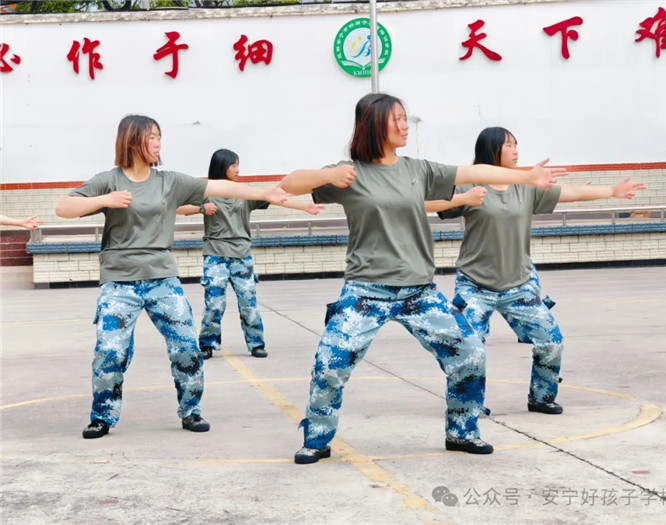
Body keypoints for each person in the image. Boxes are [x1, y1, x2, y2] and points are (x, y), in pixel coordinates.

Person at [280, 93, 568, 464]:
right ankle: (317, 440)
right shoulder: (349, 173)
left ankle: (462, 432)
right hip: (366, 290)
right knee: (330, 364)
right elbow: (289, 184)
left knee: (469, 352)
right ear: (373, 124)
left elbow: (473, 173)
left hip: (419, 291)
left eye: (405, 118)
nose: (405, 126)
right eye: (397, 119)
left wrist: (525, 176)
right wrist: (328, 176)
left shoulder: (418, 170)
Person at [55, 115, 287, 439]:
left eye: (159, 136)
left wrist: (264, 193)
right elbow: (64, 207)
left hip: (162, 279)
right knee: (110, 351)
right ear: (132, 140)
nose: (157, 143)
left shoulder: (169, 182)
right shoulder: (108, 180)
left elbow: (217, 185)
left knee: (186, 346)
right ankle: (102, 416)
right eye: (151, 137)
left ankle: (191, 411)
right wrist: (105, 200)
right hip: (119, 282)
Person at [426, 126, 646, 415]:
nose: (515, 151)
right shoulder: (472, 184)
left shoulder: (526, 187)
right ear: (491, 149)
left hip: (518, 286)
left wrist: (612, 191)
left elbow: (572, 192)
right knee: (468, 349)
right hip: (475, 286)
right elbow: (430, 204)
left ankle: (541, 397)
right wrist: (462, 199)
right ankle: (469, 404)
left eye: (516, 145)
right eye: (508, 145)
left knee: (551, 342)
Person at [176, 148, 324, 360]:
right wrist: (201, 209)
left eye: (238, 165)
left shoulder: (244, 193)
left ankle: (256, 344)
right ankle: (207, 344)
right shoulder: (206, 192)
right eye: (233, 165)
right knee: (214, 304)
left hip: (241, 256)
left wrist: (304, 207)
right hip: (215, 256)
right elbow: (177, 207)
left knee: (248, 303)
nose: (238, 170)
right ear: (222, 166)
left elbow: (275, 199)